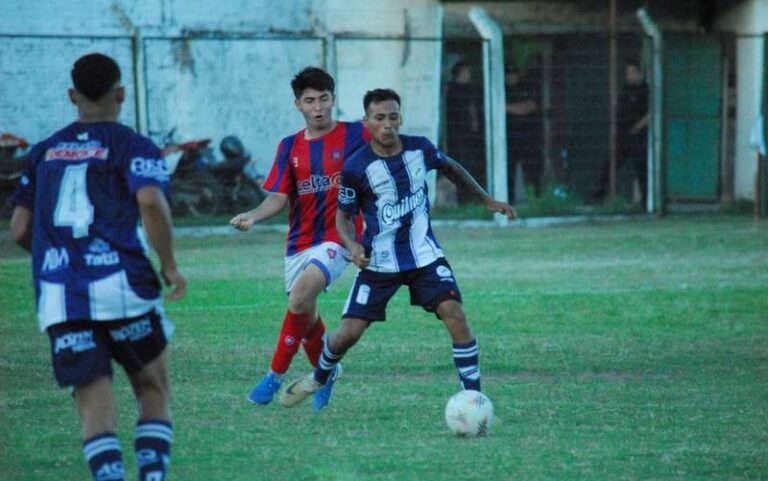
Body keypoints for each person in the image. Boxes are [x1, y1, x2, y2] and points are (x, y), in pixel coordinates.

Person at [279, 88, 516, 409]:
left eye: (393, 117)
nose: (388, 124)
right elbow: (343, 218)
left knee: (455, 314)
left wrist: (486, 198)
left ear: (400, 118)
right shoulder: (356, 167)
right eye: (380, 118)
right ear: (368, 122)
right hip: (379, 263)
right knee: (348, 334)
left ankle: (474, 396)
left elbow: (450, 167)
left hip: (425, 257)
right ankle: (320, 376)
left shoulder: (420, 149)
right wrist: (352, 246)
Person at [9, 53, 186, 481]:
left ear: (72, 96)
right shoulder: (134, 145)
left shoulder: (43, 151)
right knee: (152, 388)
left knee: (93, 403)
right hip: (122, 286)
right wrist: (169, 265)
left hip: (61, 296)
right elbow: (149, 201)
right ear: (121, 93)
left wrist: (63, 263)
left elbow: (19, 229)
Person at [230, 67, 369, 411]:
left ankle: (273, 377)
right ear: (298, 105)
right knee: (304, 316)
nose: (318, 107)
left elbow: (387, 154)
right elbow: (278, 197)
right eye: (310, 101)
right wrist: (253, 215)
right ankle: (328, 371)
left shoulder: (357, 135)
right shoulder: (289, 146)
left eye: (324, 99)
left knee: (301, 297)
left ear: (333, 100)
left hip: (340, 237)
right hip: (299, 244)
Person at [595, 60, 649, 204]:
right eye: (627, 73)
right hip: (623, 137)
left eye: (633, 73)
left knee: (641, 170)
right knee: (609, 165)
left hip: (638, 138)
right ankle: (600, 196)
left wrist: (639, 126)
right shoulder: (625, 90)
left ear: (640, 74)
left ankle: (646, 202)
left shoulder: (645, 90)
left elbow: (652, 112)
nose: (630, 76)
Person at [445, 61, 484, 203]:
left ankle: (468, 199)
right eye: (467, 71)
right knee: (464, 166)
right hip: (461, 135)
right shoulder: (456, 90)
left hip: (465, 135)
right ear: (460, 72)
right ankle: (465, 199)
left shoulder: (463, 89)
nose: (469, 74)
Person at [505, 65, 544, 202]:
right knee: (508, 171)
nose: (510, 77)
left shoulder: (526, 87)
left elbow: (529, 106)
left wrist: (505, 107)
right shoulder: (503, 90)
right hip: (509, 138)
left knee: (532, 169)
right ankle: (509, 201)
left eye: (513, 73)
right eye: (508, 74)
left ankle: (536, 199)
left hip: (529, 137)